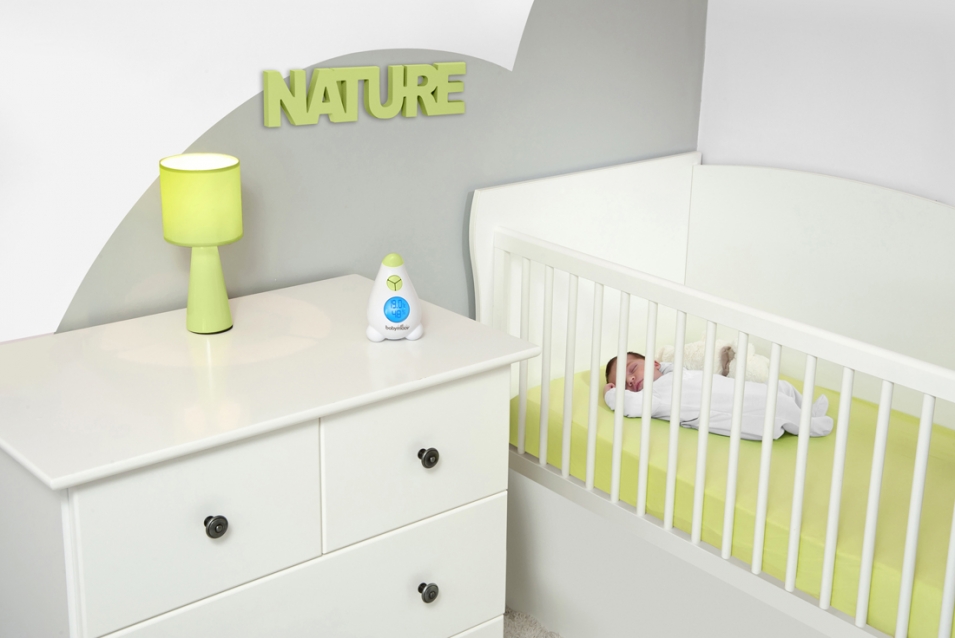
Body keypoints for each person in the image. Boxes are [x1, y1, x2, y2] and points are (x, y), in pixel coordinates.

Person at [604, 352, 833, 440]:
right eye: (624, 384)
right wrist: (611, 393)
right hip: (737, 410)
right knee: (778, 407)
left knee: (780, 387)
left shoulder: (673, 373)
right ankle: (811, 426)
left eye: (632, 369)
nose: (630, 380)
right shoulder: (653, 397)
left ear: (655, 363)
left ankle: (808, 409)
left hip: (738, 390)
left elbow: (667, 367)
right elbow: (629, 405)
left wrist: (660, 367)